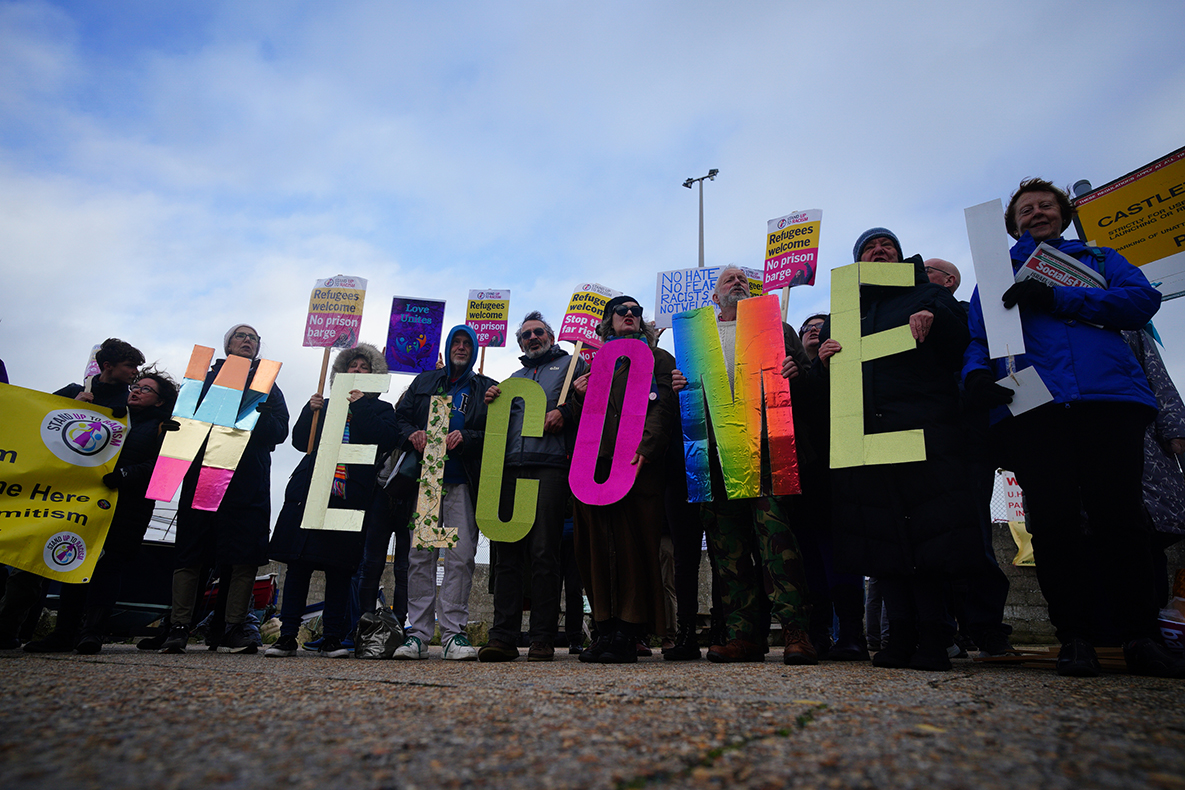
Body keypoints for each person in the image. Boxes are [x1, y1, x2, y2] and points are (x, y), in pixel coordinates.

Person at [963, 179, 1184, 678]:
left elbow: (1141, 302)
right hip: (1035, 410)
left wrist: (1059, 299)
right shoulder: (996, 272)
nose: (1037, 213)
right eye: (1026, 209)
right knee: (1054, 524)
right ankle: (1075, 638)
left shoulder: (1102, 261)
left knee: (1122, 522)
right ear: (1013, 222)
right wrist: (975, 375)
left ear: (1062, 215)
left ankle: (1139, 637)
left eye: (1046, 206)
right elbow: (980, 336)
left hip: (1110, 403)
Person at [824, 228, 981, 671]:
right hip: (865, 438)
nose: (879, 252)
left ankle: (934, 635)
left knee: (928, 536)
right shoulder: (844, 312)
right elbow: (835, 385)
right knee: (884, 540)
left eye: (886, 246)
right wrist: (824, 361)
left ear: (900, 256)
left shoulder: (927, 293)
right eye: (869, 248)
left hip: (921, 431)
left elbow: (960, 348)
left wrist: (938, 320)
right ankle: (900, 634)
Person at [688, 268, 818, 665]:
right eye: (729, 279)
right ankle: (744, 635)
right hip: (715, 453)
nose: (738, 283)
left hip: (765, 449)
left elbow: (810, 380)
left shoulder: (777, 327)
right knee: (728, 547)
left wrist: (799, 373)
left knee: (775, 539)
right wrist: (681, 382)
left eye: (743, 279)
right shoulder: (697, 338)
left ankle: (796, 630)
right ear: (714, 295)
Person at [0, 338, 146, 649]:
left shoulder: (127, 406)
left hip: (86, 501)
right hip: (48, 494)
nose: (135, 373)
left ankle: (64, 633)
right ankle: (8, 629)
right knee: (26, 567)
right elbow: (32, 420)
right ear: (107, 366)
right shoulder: (71, 393)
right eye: (130, 366)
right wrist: (73, 404)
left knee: (72, 565)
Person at [23, 368, 178, 654]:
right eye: (136, 386)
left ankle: (92, 633)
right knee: (74, 562)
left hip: (128, 508)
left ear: (159, 402)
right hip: (89, 504)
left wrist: (125, 475)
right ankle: (63, 633)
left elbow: (161, 470)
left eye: (146, 389)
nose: (136, 391)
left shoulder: (165, 428)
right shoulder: (109, 416)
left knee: (108, 568)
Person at [160, 324, 289, 654]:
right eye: (240, 336)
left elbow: (279, 433)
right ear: (227, 344)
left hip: (247, 481)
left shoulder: (267, 385)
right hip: (205, 476)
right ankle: (178, 627)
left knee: (243, 554)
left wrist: (259, 416)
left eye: (253, 338)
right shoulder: (202, 378)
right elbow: (180, 423)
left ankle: (233, 627)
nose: (247, 341)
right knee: (192, 551)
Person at [266, 344, 397, 658]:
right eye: (352, 365)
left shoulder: (382, 409)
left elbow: (385, 439)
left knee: (339, 569)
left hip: (348, 495)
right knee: (299, 566)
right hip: (311, 491)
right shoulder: (323, 405)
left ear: (374, 375)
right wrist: (309, 412)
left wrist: (362, 405)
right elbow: (301, 442)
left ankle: (333, 637)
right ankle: (287, 636)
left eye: (364, 367)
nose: (357, 370)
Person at [571, 296, 676, 663]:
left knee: (635, 550)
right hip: (596, 470)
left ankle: (630, 632)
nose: (630, 315)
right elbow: (577, 421)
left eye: (636, 312)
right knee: (598, 550)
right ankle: (605, 629)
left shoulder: (659, 360)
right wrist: (577, 396)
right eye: (622, 311)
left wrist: (647, 448)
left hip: (637, 468)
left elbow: (663, 407)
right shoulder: (593, 364)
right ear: (608, 322)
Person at [479, 312, 587, 662]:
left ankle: (542, 637)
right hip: (510, 468)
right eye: (526, 335)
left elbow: (594, 405)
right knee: (507, 557)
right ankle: (503, 637)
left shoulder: (574, 365)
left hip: (550, 467)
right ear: (520, 342)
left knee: (544, 554)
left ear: (551, 336)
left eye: (539, 332)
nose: (533, 337)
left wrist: (567, 412)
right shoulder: (513, 379)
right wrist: (492, 399)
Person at [392, 326, 494, 660]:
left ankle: (453, 634)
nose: (461, 348)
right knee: (419, 557)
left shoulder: (486, 387)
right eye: (456, 343)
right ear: (448, 347)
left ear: (474, 350)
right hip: (426, 481)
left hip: (463, 481)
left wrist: (469, 437)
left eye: (467, 344)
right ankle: (418, 633)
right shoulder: (424, 381)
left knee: (461, 556)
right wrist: (413, 435)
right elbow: (400, 418)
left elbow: (495, 430)